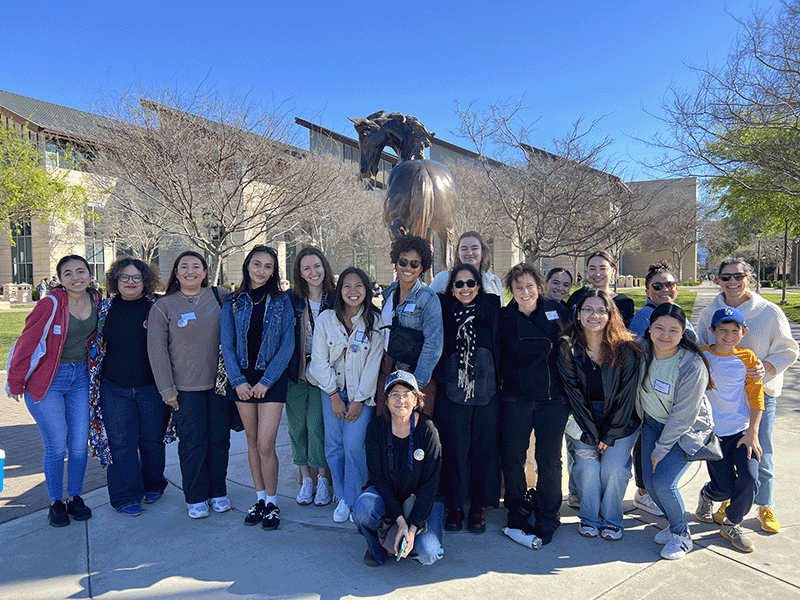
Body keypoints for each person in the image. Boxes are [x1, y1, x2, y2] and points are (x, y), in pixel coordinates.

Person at [696, 258, 798, 533]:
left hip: (759, 393)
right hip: (723, 399)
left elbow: (789, 350)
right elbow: (700, 347)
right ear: (718, 280)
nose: (732, 282)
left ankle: (765, 505)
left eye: (737, 276)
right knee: (726, 459)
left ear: (748, 279)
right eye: (725, 277)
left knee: (759, 449)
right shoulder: (710, 312)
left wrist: (764, 368)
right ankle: (726, 501)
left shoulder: (769, 311)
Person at [7, 255, 101, 527]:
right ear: (60, 279)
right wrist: (15, 381)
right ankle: (55, 502)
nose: (76, 277)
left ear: (89, 274)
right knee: (57, 445)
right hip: (48, 381)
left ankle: (74, 497)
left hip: (81, 379)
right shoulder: (52, 303)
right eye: (68, 273)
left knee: (79, 445)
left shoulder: (97, 301)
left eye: (81, 271)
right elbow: (26, 341)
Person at [147, 251, 231, 520]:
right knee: (193, 443)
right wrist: (166, 389)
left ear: (206, 272)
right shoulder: (164, 306)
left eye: (197, 266)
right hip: (184, 389)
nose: (191, 271)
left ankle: (218, 491)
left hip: (219, 386)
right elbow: (157, 351)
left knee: (219, 440)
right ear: (176, 272)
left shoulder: (221, 297)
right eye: (185, 267)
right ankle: (195, 496)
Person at [88, 257, 171, 516]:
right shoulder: (104, 308)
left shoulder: (158, 306)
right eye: (125, 277)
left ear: (145, 281)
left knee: (151, 440)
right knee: (121, 442)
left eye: (136, 277)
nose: (130, 282)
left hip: (152, 387)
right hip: (114, 387)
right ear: (116, 280)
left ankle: (153, 483)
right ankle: (125, 495)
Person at [220, 245, 294, 530]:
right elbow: (226, 344)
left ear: (274, 270)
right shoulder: (232, 301)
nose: (261, 270)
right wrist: (238, 381)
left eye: (267, 266)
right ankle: (260, 499)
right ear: (247, 266)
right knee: (251, 442)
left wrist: (266, 381)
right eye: (256, 264)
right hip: (242, 380)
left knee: (266, 444)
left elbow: (288, 344)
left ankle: (273, 503)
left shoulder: (281, 301)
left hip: (271, 380)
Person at [557, 289, 641, 540]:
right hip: (582, 418)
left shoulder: (626, 349)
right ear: (578, 315)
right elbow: (573, 394)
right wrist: (593, 434)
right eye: (588, 310)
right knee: (588, 466)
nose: (594, 315)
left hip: (621, 420)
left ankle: (612, 519)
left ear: (610, 315)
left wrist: (610, 434)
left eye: (601, 310)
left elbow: (627, 397)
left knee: (614, 469)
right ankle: (590, 517)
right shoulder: (567, 346)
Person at [637, 303, 715, 560]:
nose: (665, 335)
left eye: (673, 330)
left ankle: (682, 536)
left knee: (664, 483)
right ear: (649, 329)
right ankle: (673, 524)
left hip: (685, 430)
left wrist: (661, 449)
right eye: (659, 328)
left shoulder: (692, 364)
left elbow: (684, 415)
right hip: (652, 424)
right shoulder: (643, 350)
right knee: (649, 483)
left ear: (683, 334)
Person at [307, 267, 385, 523]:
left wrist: (359, 401)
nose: (353, 291)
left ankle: (355, 498)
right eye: (347, 286)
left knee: (353, 446)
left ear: (367, 290)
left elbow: (374, 366)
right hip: (331, 391)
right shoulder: (326, 319)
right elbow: (318, 361)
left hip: (361, 394)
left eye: (358, 286)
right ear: (339, 291)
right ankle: (341, 496)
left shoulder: (375, 322)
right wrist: (333, 395)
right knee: (335, 447)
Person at [499, 263, 569, 545]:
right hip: (516, 398)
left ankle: (549, 515)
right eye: (518, 288)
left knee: (549, 460)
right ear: (512, 292)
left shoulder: (557, 312)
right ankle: (516, 511)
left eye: (529, 286)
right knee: (513, 458)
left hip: (552, 399)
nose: (525, 292)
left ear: (538, 286)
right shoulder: (504, 318)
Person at [434, 263, 501, 534]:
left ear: (478, 286)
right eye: (459, 284)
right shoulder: (443, 309)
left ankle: (478, 506)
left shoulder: (492, 308)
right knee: (455, 449)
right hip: (453, 390)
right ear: (451, 287)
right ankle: (455, 505)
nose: (465, 289)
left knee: (484, 450)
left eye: (470, 283)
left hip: (486, 390)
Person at [353, 371, 444, 567]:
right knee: (362, 510)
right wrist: (401, 521)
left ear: (416, 400)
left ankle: (403, 540)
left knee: (429, 553)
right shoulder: (376, 428)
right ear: (385, 401)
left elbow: (431, 484)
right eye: (395, 394)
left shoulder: (428, 429)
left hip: (419, 500)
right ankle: (379, 547)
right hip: (387, 496)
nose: (401, 400)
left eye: (407, 394)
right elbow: (378, 478)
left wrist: (411, 529)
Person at [628, 261, 696, 518]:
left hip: (674, 396)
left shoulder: (674, 311)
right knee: (647, 444)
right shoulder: (645, 318)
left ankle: (648, 491)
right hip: (652, 399)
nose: (664, 289)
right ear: (647, 291)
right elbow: (640, 359)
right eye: (658, 285)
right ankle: (645, 493)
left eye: (670, 284)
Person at [696, 306, 764, 553]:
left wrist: (753, 433)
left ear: (743, 332)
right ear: (712, 330)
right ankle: (707, 495)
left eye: (734, 330)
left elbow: (756, 399)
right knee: (723, 488)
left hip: (742, 432)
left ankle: (732, 524)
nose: (728, 335)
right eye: (722, 330)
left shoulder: (748, 359)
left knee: (750, 477)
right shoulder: (700, 355)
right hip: (713, 435)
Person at [287, 247, 334, 507]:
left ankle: (323, 479)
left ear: (324, 267)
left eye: (317, 266)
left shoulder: (335, 298)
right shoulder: (291, 300)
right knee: (297, 428)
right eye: (306, 268)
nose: (313, 272)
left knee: (316, 426)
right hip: (295, 372)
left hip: (322, 373)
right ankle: (306, 479)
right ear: (300, 273)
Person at [378, 236, 443, 417]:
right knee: (385, 426)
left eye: (415, 263)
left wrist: (415, 386)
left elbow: (434, 344)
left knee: (415, 431)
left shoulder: (428, 298)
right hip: (388, 368)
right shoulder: (389, 292)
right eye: (403, 261)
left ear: (422, 268)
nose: (408, 267)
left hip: (415, 371)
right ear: (396, 262)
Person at [429, 231, 504, 301]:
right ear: (458, 254)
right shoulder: (443, 279)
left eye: (474, 248)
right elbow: (427, 307)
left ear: (483, 252)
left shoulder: (494, 281)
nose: (470, 253)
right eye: (464, 249)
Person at [567, 251, 634, 327]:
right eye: (592, 269)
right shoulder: (577, 296)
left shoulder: (623, 303)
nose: (597, 274)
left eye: (603, 269)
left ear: (613, 271)